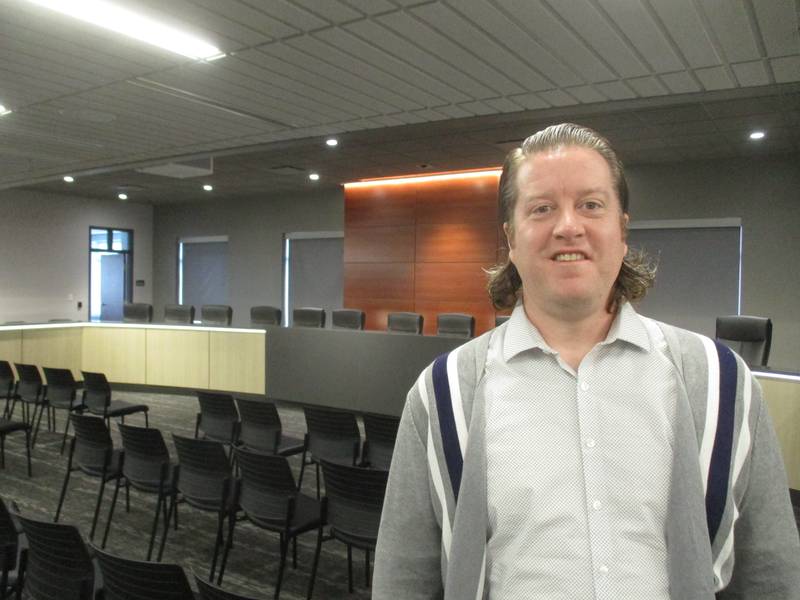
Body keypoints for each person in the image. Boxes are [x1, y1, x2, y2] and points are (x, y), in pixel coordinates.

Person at [372, 123, 800, 599]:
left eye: (591, 205)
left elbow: (771, 574)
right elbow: (404, 578)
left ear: (622, 230)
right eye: (542, 208)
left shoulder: (724, 382)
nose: (568, 225)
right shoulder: (441, 394)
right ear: (511, 239)